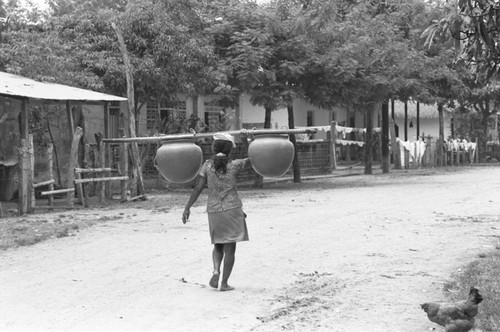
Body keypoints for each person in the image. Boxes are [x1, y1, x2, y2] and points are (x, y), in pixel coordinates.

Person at [182, 131, 250, 291]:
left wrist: (187, 207)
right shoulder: (235, 165)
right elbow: (253, 158)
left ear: (213, 147)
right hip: (232, 209)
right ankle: (224, 283)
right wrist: (249, 139)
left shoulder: (207, 166)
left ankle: (215, 270)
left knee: (218, 244)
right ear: (230, 149)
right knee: (230, 248)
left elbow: (198, 187)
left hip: (214, 210)